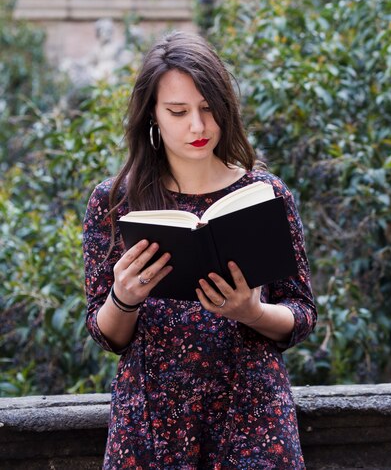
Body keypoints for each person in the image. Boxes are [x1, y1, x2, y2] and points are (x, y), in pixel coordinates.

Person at [83, 30, 317, 469]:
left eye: (209, 109)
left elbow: (302, 313)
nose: (198, 126)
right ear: (152, 114)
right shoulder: (114, 202)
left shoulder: (264, 194)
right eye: (178, 111)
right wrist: (124, 298)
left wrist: (252, 312)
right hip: (151, 420)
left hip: (251, 415)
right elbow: (106, 333)